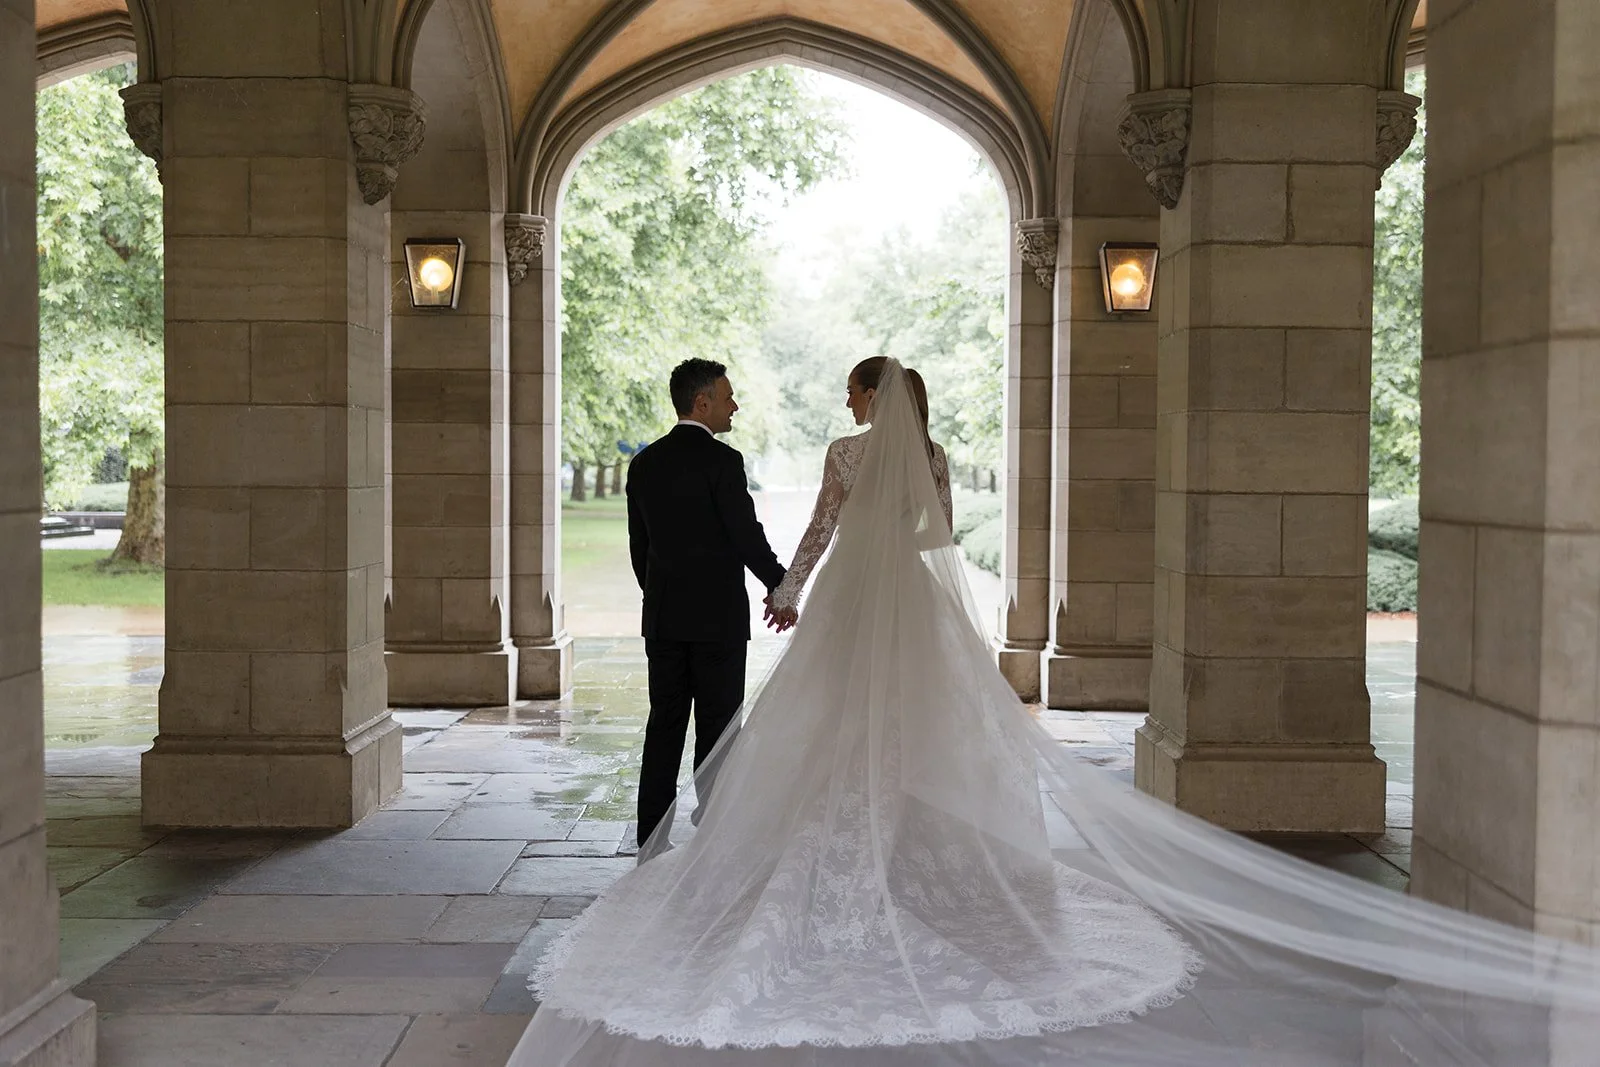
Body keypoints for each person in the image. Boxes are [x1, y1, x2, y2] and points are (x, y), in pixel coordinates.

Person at [510, 358, 1600, 1067]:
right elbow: (936, 544)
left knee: (824, 729)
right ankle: (913, 842)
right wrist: (864, 565)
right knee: (922, 727)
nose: (853, 411)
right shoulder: (928, 456)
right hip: (909, 613)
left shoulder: (845, 457)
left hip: (849, 610)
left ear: (861, 404)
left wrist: (794, 590)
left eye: (855, 395)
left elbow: (818, 537)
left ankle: (798, 843)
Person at [623, 358, 790, 856]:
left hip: (665, 620)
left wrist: (658, 599)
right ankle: (714, 833)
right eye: (727, 396)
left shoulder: (644, 462)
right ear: (702, 402)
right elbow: (746, 538)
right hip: (718, 622)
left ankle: (651, 837)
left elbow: (640, 547)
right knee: (719, 731)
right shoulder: (724, 461)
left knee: (664, 725)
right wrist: (783, 586)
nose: (734, 405)